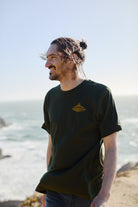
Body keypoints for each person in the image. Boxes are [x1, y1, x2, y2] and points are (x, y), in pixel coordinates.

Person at [35, 37, 122, 207]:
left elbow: (111, 147)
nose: (47, 64)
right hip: (56, 191)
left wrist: (104, 194)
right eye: (46, 58)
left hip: (88, 192)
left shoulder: (100, 94)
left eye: (53, 57)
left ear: (72, 58)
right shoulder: (50, 98)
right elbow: (52, 145)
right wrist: (49, 185)